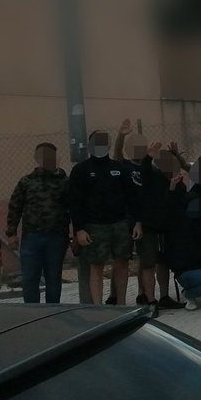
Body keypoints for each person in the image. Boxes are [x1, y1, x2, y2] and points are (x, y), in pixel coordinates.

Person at [68, 130, 141, 305]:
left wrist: (137, 222)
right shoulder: (80, 170)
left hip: (121, 225)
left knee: (122, 263)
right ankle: (98, 308)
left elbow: (132, 198)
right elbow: (75, 202)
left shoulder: (119, 168)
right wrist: (79, 229)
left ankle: (121, 304)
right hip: (94, 227)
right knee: (96, 267)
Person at [6, 142, 69, 304]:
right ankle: (32, 314)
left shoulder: (64, 182)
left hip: (57, 237)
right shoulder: (26, 182)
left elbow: (74, 208)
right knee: (30, 279)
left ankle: (52, 314)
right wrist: (11, 233)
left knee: (54, 278)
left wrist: (76, 232)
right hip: (31, 238)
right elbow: (15, 206)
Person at [135, 143, 193, 310]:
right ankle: (151, 300)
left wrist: (173, 187)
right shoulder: (152, 176)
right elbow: (142, 172)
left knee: (164, 263)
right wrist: (149, 156)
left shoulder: (179, 183)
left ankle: (164, 296)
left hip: (167, 229)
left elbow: (174, 206)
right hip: (149, 226)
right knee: (148, 263)